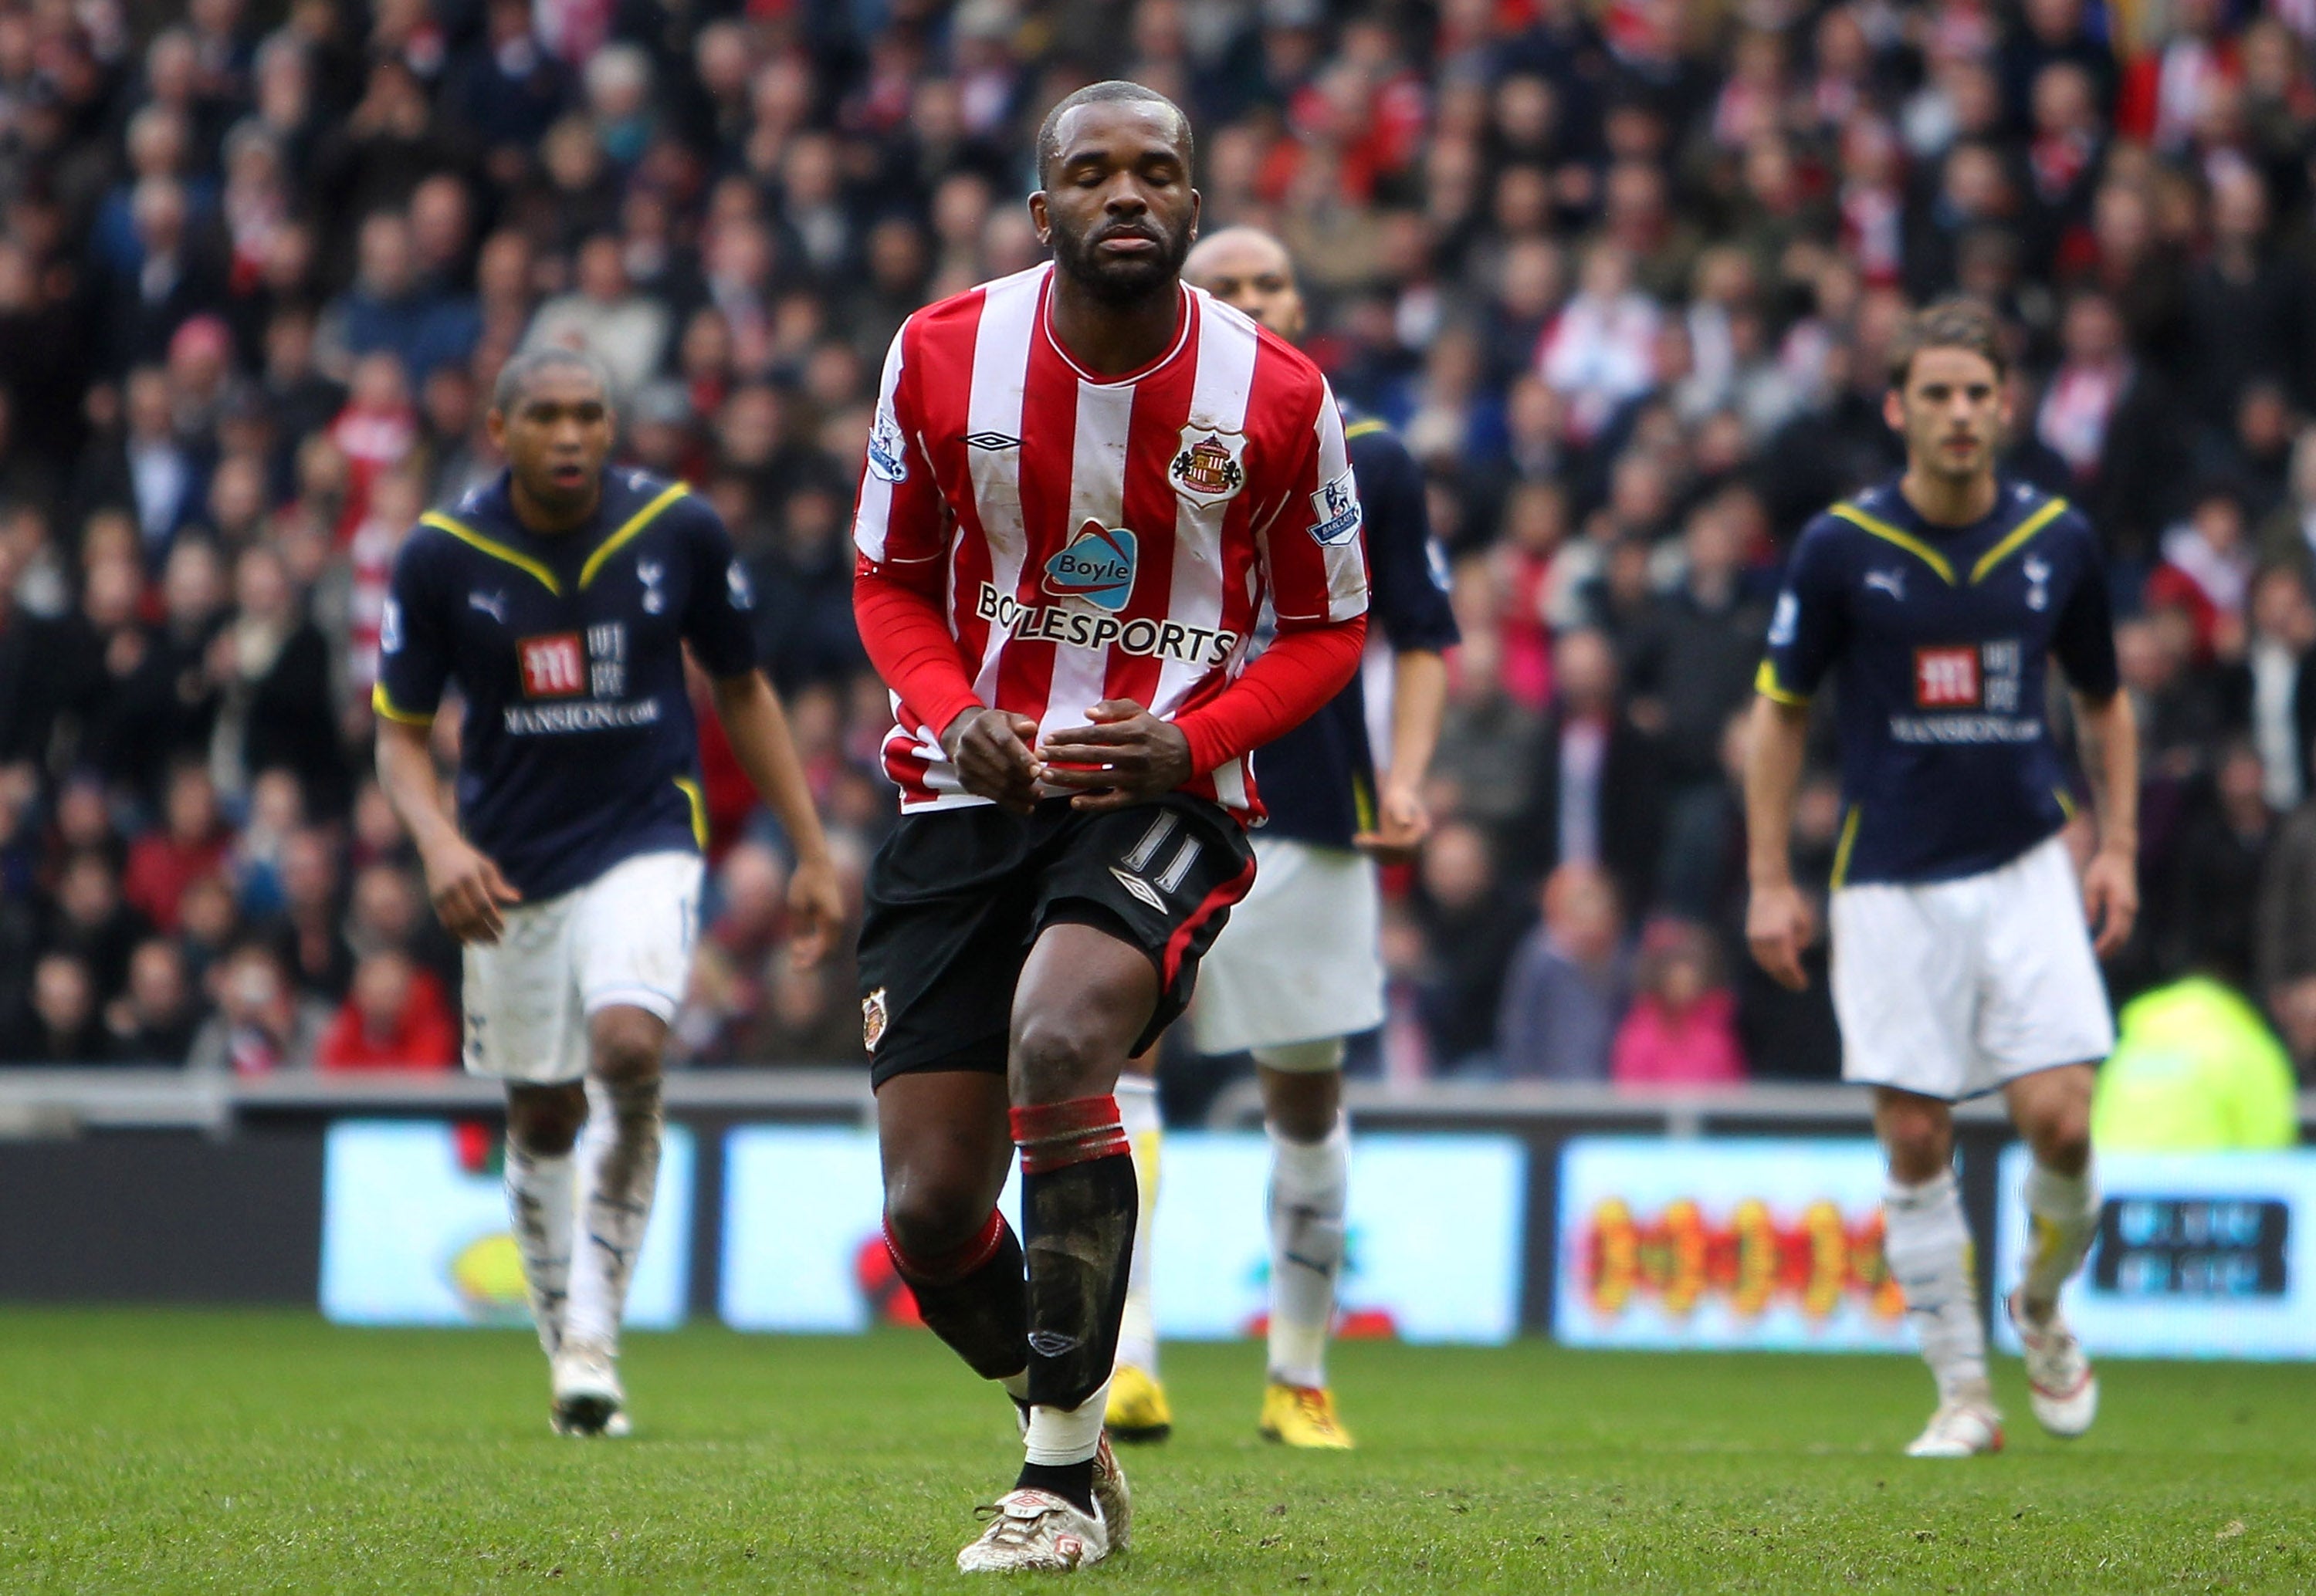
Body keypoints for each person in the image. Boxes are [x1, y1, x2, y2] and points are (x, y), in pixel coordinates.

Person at [850, 83, 1369, 1573]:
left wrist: (1193, 739)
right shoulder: (944, 355)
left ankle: (1058, 1486)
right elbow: (889, 578)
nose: (1128, 194)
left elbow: (1329, 628)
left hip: (1165, 798)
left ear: (1196, 210)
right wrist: (956, 711)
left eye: (1159, 173)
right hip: (964, 791)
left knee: (1066, 1041)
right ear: (1044, 213)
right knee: (932, 1213)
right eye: (1093, 173)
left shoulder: (1276, 398)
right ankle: (1056, 1410)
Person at [372, 346, 841, 1439]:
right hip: (505, 863)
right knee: (541, 1108)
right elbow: (397, 739)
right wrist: (439, 846)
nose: (572, 434)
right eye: (546, 416)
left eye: (590, 414)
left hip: (645, 835)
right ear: (500, 430)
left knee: (628, 1047)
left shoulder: (676, 530)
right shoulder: (442, 556)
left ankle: (594, 1334)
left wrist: (812, 851)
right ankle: (564, 1350)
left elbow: (745, 689)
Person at [1745, 299, 2139, 1459]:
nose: (1960, 413)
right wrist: (1771, 877)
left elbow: (2105, 702)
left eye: (1978, 393)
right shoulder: (1839, 548)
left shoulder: (2057, 541)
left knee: (2061, 1121)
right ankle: (1964, 1394)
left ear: (2006, 406)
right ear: (1898, 408)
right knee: (1916, 1138)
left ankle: (2044, 1306)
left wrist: (2115, 846)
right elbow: (1780, 716)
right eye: (1938, 394)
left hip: (2027, 860)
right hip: (1888, 880)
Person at [1104, 222, 1458, 1452]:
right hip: (1146, 792)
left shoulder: (1372, 458)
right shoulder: (1124, 438)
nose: (1249, 299)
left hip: (1309, 808)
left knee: (1303, 1099)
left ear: (1301, 302)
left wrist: (1405, 778)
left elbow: (1422, 633)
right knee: (1120, 1070)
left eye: (1268, 284)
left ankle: (1298, 1375)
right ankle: (1127, 1359)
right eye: (1224, 286)